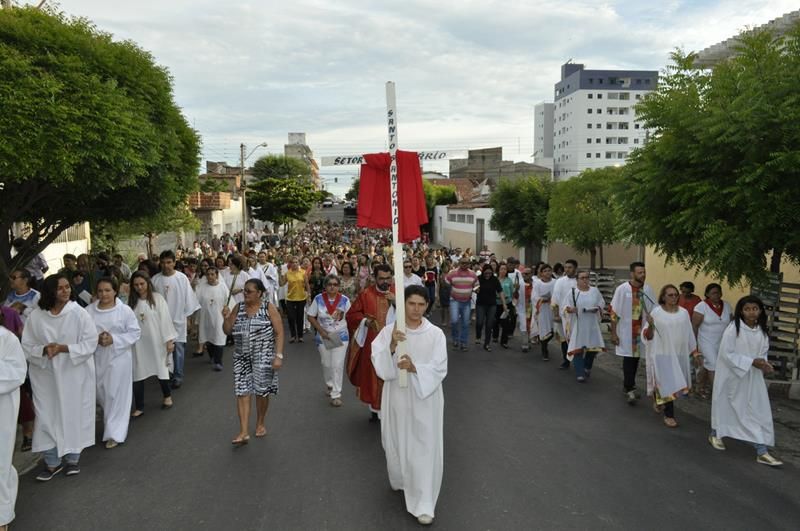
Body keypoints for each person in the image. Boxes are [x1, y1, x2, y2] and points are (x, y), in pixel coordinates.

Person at [371, 285, 447, 526]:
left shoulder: (435, 334)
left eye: (421, 304)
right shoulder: (390, 331)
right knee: (397, 440)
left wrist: (416, 368)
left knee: (424, 445)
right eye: (411, 304)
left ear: (427, 306)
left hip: (426, 397)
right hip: (398, 395)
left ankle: (424, 502)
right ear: (404, 305)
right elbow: (379, 363)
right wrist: (392, 345)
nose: (416, 309)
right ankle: (402, 478)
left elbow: (440, 367)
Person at [21, 274, 97, 481]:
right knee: (47, 416)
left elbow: (91, 342)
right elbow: (27, 345)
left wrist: (63, 348)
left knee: (72, 413)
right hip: (46, 376)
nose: (66, 291)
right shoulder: (37, 317)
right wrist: (44, 350)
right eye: (60, 288)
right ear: (50, 292)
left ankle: (72, 458)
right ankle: (52, 462)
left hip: (74, 374)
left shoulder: (78, 314)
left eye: (67, 287)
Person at [709, 295, 783, 466]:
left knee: (756, 411)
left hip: (753, 377)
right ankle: (716, 433)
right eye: (747, 309)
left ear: (760, 311)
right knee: (726, 406)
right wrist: (751, 362)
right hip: (731, 376)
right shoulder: (733, 330)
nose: (751, 312)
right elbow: (727, 354)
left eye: (755, 309)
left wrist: (764, 363)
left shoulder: (762, 330)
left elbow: (762, 351)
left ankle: (761, 450)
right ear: (741, 311)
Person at [222, 279, 284, 445]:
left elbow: (279, 332)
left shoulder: (268, 308)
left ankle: (260, 422)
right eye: (244, 291)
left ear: (259, 293)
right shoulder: (238, 307)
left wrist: (278, 356)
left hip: (263, 356)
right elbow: (227, 330)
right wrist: (226, 318)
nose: (246, 294)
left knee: (262, 392)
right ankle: (243, 431)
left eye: (249, 291)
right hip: (241, 357)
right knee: (242, 392)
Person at [87, 278, 141, 448]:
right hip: (97, 358)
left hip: (119, 359)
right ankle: (110, 423)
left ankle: (114, 433)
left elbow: (134, 332)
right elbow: (82, 332)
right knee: (102, 394)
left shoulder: (124, 311)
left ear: (115, 291)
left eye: (108, 290)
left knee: (115, 395)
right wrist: (96, 339)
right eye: (100, 291)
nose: (104, 294)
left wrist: (114, 339)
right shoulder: (88, 311)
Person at [641, 285, 700, 427]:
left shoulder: (684, 313)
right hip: (662, 353)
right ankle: (669, 415)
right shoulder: (657, 312)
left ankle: (658, 396)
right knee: (669, 384)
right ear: (663, 297)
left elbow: (689, 333)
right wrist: (650, 325)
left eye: (675, 295)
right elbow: (648, 336)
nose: (674, 297)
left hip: (679, 353)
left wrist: (695, 352)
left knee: (671, 383)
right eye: (670, 295)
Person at [346, 264, 395, 421]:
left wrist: (396, 302)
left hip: (395, 343)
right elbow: (352, 315)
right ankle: (375, 410)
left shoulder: (398, 293)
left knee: (392, 375)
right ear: (375, 278)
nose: (385, 281)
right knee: (374, 375)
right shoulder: (366, 294)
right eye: (381, 278)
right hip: (373, 344)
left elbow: (412, 314)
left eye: (388, 278)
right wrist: (365, 322)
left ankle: (391, 409)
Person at [129, 272, 177, 416]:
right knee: (137, 372)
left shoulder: (157, 299)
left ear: (148, 283)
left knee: (160, 369)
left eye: (142, 284)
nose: (139, 287)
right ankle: (139, 406)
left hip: (157, 341)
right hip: (138, 344)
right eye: (136, 285)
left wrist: (169, 341)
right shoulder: (131, 303)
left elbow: (166, 320)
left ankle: (167, 396)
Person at [151, 250, 200, 389]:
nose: (166, 265)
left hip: (178, 319)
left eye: (169, 262)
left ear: (174, 263)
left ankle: (178, 375)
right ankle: (167, 373)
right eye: (163, 263)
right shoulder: (155, 280)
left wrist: (189, 319)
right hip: (161, 321)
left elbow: (189, 300)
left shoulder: (182, 278)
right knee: (164, 349)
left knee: (178, 348)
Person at [610, 262, 656, 405]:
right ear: (632, 274)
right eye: (640, 272)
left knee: (636, 359)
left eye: (644, 272)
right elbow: (614, 312)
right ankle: (630, 388)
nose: (643, 275)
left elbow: (653, 310)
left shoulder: (648, 289)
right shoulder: (622, 289)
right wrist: (613, 333)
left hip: (641, 331)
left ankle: (628, 385)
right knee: (629, 359)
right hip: (626, 331)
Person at [307, 275, 352, 407]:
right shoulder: (318, 299)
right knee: (326, 363)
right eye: (330, 284)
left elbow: (351, 317)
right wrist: (321, 331)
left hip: (341, 336)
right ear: (325, 286)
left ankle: (336, 394)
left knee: (337, 364)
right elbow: (310, 316)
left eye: (335, 284)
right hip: (323, 336)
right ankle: (330, 384)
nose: (332, 287)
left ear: (339, 286)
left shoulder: (344, 300)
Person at [0, 327, 27, 528]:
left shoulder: (6, 338)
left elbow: (17, 374)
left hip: (2, 412)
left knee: (0, 463)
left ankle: (3, 514)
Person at [562, 270, 606, 382]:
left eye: (587, 277)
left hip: (592, 323)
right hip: (578, 324)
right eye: (582, 278)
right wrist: (570, 309)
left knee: (592, 348)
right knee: (578, 348)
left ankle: (587, 366)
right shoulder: (572, 292)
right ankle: (580, 373)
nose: (585, 280)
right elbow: (565, 306)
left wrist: (598, 309)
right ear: (577, 280)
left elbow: (601, 303)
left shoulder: (595, 291)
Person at [692, 283, 733, 399]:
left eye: (719, 292)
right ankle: (718, 393)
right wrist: (694, 345)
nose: (717, 295)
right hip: (705, 341)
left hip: (721, 342)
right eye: (714, 293)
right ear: (707, 294)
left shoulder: (727, 306)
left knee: (707, 365)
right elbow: (694, 325)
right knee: (714, 364)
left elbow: (731, 325)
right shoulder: (701, 306)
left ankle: (699, 387)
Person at [195, 267, 229, 371]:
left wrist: (227, 309)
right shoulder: (201, 287)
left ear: (217, 275)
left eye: (212, 274)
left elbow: (228, 301)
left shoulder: (223, 287)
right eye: (208, 274)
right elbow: (195, 301)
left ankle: (218, 362)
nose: (210, 276)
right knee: (208, 338)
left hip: (219, 317)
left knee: (219, 337)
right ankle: (212, 357)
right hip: (205, 318)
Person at [445, 257, 478, 351]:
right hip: (454, 300)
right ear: (459, 263)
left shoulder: (472, 274)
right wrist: (451, 291)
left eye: (466, 263)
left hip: (466, 301)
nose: (464, 265)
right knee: (454, 321)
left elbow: (476, 285)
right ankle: (455, 339)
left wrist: (475, 290)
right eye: (463, 263)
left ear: (469, 264)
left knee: (465, 323)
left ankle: (463, 342)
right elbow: (446, 282)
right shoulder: (453, 273)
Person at [551, 259, 578, 369]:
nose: (567, 270)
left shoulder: (579, 281)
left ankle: (578, 361)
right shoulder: (560, 281)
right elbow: (555, 298)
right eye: (566, 267)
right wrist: (556, 314)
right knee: (564, 338)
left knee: (576, 338)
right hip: (563, 315)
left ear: (575, 268)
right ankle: (565, 360)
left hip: (576, 316)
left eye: (570, 267)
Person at [475, 264, 505, 352]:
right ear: (483, 272)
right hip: (480, 304)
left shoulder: (495, 279)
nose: (488, 274)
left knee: (489, 324)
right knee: (479, 322)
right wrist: (476, 290)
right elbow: (475, 288)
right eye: (486, 273)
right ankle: (478, 335)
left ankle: (487, 343)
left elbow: (500, 291)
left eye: (489, 273)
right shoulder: (479, 278)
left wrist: (504, 304)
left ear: (492, 272)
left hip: (492, 305)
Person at [280, 256, 310, 343]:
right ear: (290, 264)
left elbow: (307, 284)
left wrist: (309, 295)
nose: (295, 264)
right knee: (291, 317)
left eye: (296, 262)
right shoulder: (287, 273)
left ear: (298, 263)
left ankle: (300, 336)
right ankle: (293, 335)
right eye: (293, 262)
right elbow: (281, 284)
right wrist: (279, 274)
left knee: (300, 317)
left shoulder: (303, 272)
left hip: (301, 298)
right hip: (290, 298)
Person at [531, 263, 555, 360]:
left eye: (549, 270)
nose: (547, 272)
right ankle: (544, 351)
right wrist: (543, 300)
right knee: (543, 329)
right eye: (545, 271)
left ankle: (545, 343)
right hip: (542, 310)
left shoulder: (556, 282)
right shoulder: (538, 283)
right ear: (541, 273)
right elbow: (534, 297)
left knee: (553, 330)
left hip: (553, 309)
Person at [491, 263, 515, 348]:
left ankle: (504, 341)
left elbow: (512, 292)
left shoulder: (509, 280)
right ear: (498, 270)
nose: (503, 271)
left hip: (507, 303)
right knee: (495, 321)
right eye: (501, 269)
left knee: (506, 323)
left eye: (505, 269)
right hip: (496, 303)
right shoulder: (494, 280)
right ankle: (495, 336)